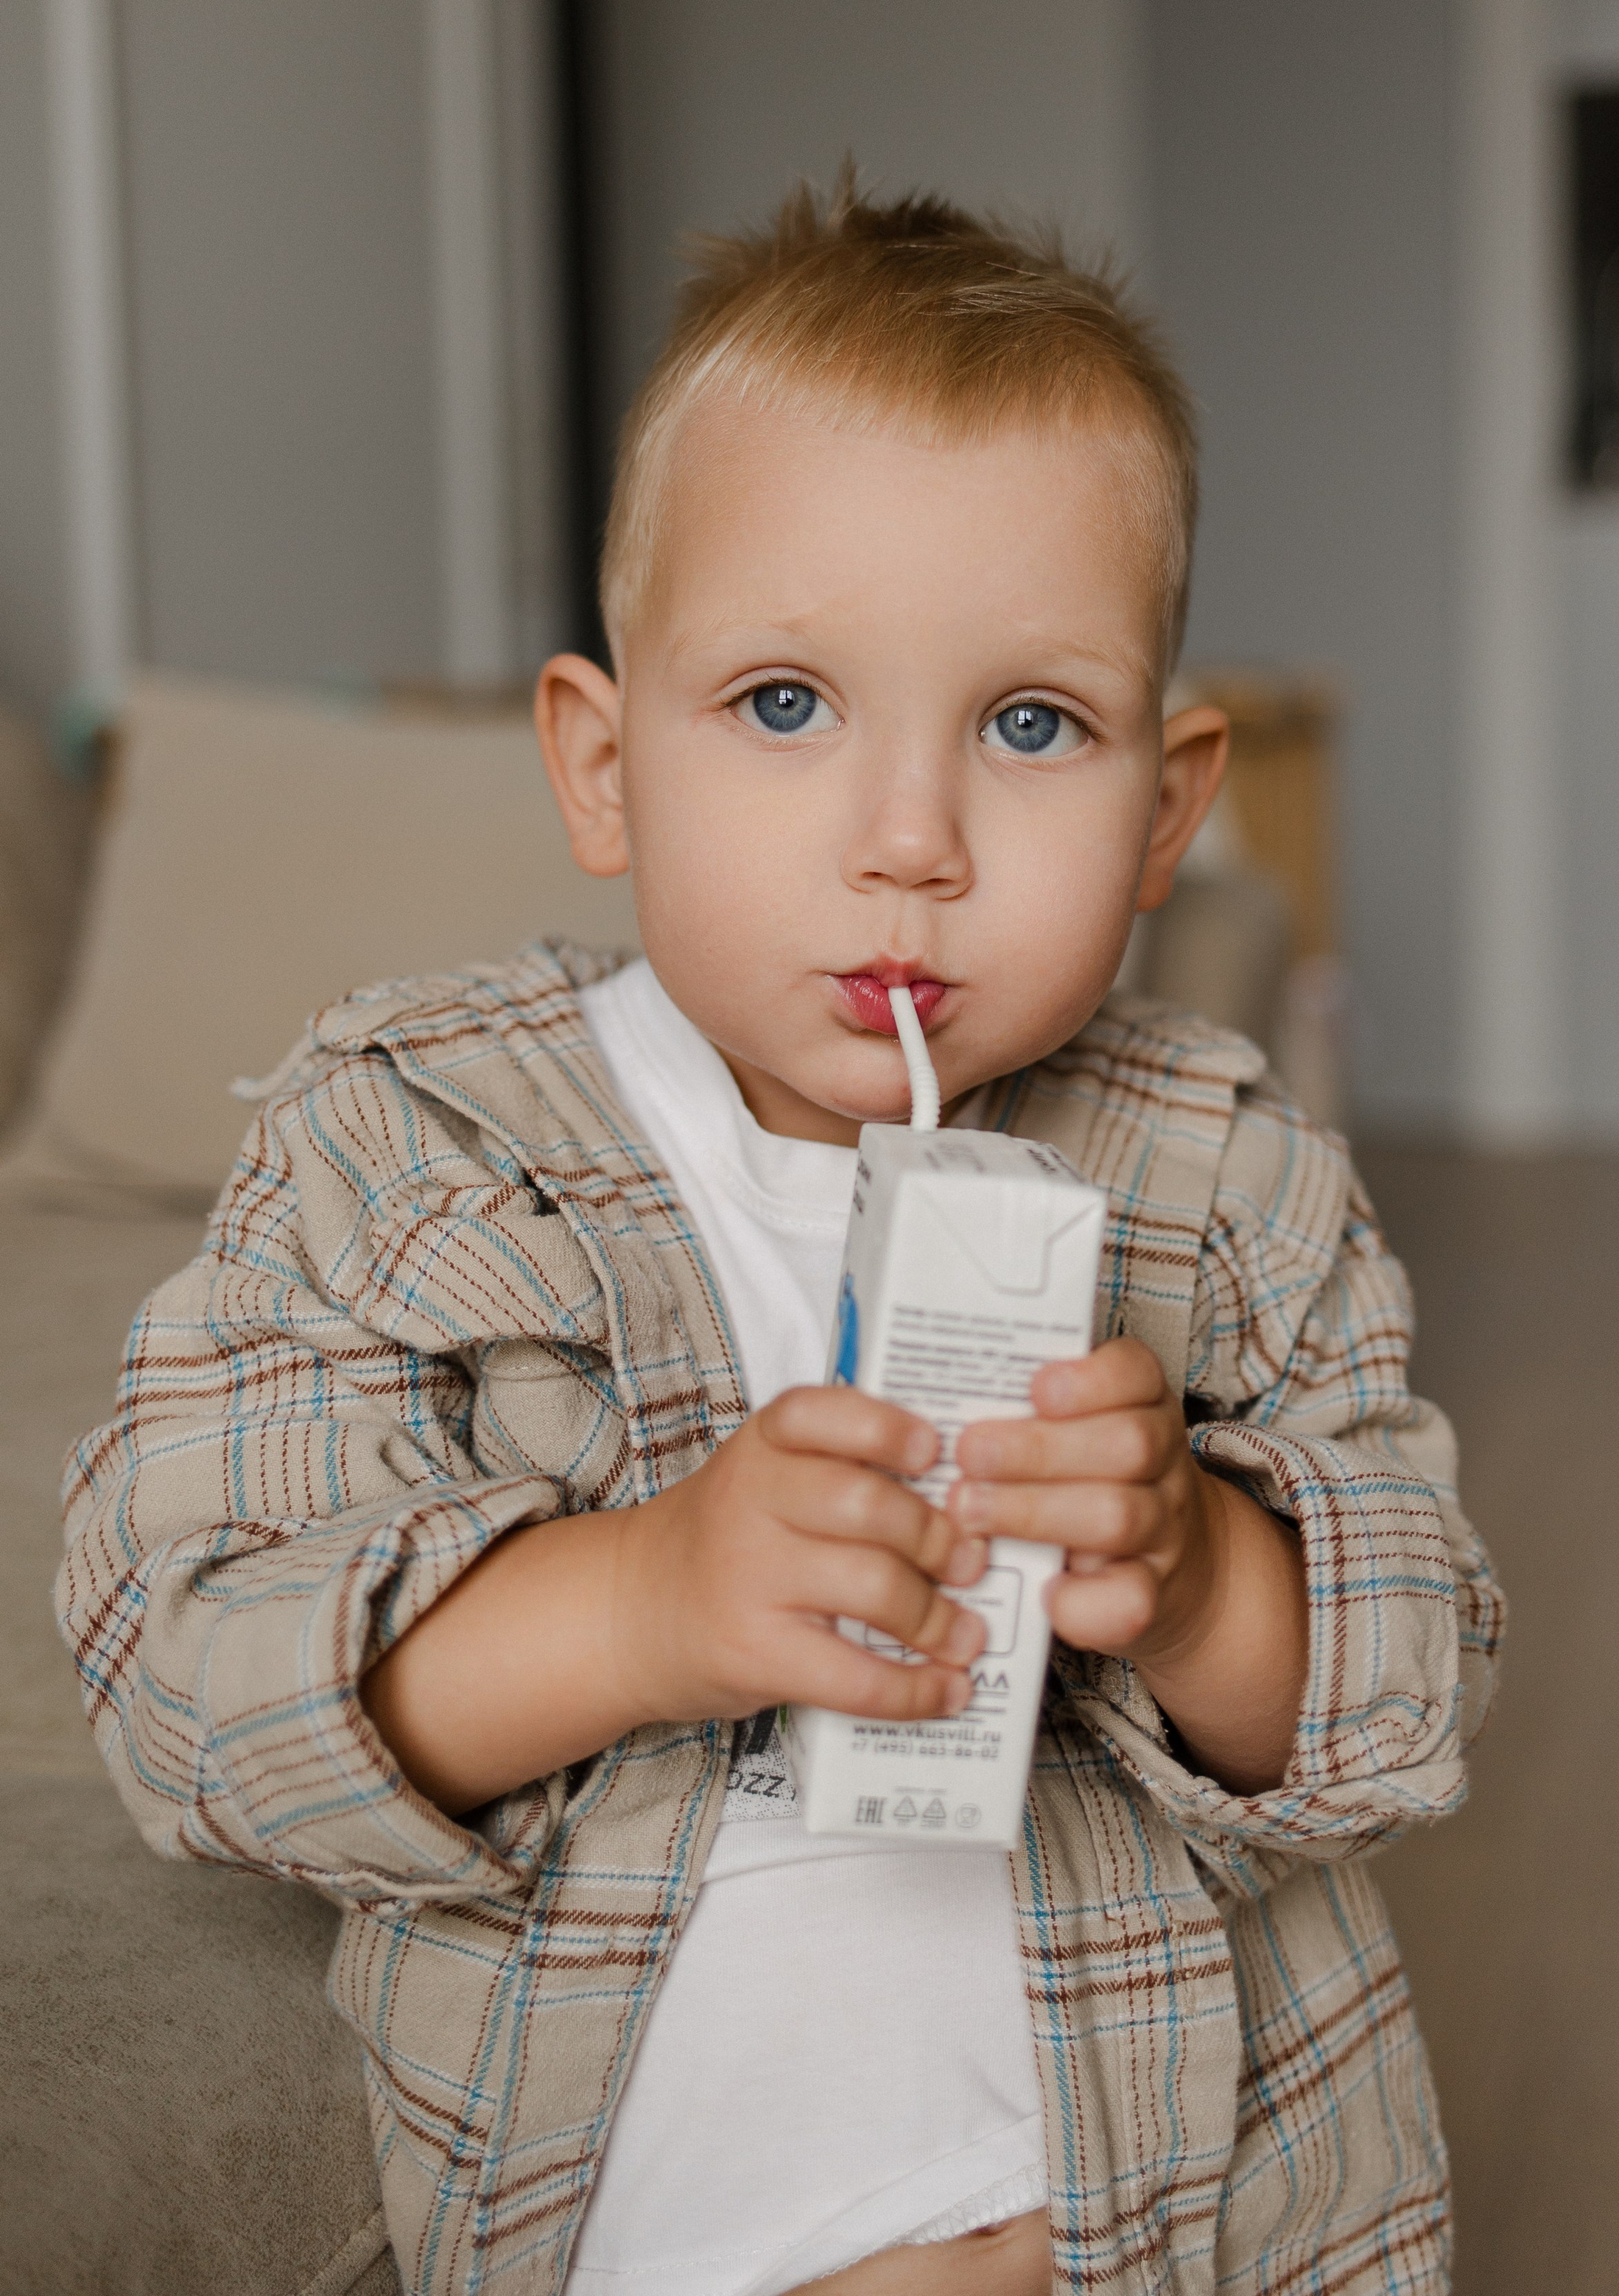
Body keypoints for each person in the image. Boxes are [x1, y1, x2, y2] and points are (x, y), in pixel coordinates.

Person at [59, 175, 1503, 2296]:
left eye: (1031, 726)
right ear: (604, 761)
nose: (908, 842)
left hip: (1194, 2236)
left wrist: (1199, 1577)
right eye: (785, 706)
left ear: (1167, 811)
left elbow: (1413, 1685)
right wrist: (645, 1601)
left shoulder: (1223, 1173)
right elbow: (178, 1668)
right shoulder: (415, 1137)